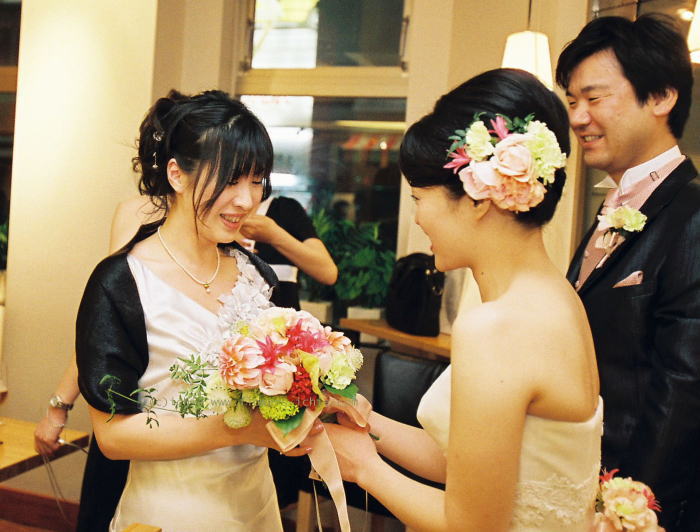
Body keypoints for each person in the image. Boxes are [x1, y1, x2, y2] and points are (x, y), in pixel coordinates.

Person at [323, 68, 601, 531]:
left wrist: (363, 467)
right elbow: (473, 465)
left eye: (419, 198)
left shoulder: (500, 326)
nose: (418, 219)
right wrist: (368, 422)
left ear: (477, 199)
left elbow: (472, 523)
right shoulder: (557, 298)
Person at [75, 89, 317, 532]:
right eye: (230, 179)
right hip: (167, 513)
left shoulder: (258, 275)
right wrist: (235, 429)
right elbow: (112, 436)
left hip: (256, 507)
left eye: (257, 181)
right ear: (177, 174)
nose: (246, 200)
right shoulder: (122, 283)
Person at [556, 14, 700, 531]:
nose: (578, 118)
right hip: (584, 483)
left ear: (661, 97)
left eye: (594, 98)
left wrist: (629, 510)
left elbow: (684, 386)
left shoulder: (692, 215)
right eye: (572, 101)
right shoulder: (613, 208)